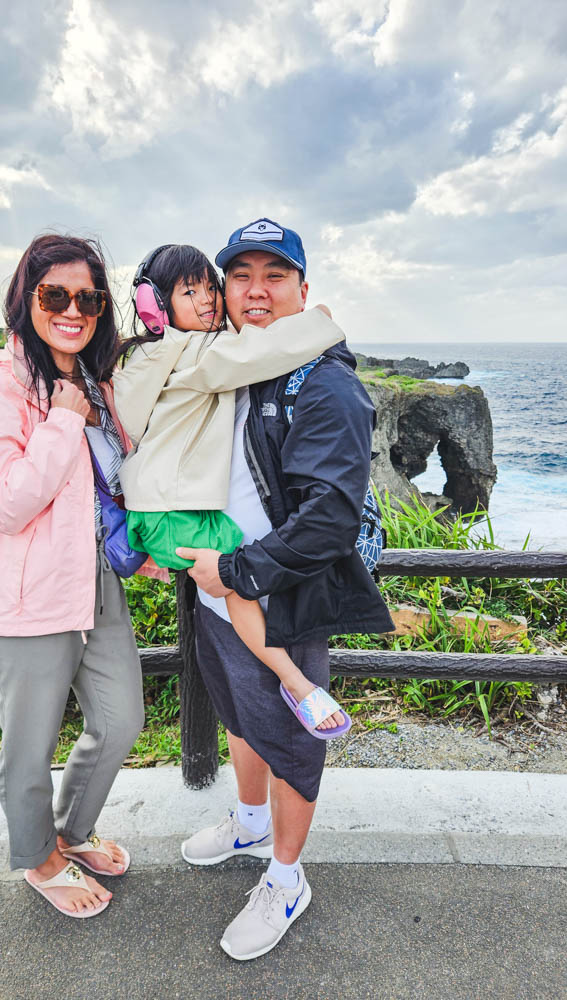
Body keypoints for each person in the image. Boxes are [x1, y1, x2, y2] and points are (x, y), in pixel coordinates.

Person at [177, 218, 394, 960]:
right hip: (218, 593)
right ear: (225, 290)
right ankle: (247, 819)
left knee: (294, 746)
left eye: (276, 275)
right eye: (242, 275)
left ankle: (286, 877)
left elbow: (327, 523)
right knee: (240, 714)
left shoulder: (325, 383)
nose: (257, 290)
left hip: (281, 592)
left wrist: (232, 571)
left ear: (305, 291)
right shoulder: (236, 362)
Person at [0, 234, 150, 919]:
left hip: (97, 581)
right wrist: (63, 423)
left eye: (88, 297)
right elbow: (6, 507)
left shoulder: (94, 381)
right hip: (31, 592)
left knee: (123, 720)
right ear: (26, 298)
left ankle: (69, 833)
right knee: (28, 749)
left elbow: (112, 485)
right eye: (55, 295)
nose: (74, 309)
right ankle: (39, 859)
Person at [112, 243, 349, 735]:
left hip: (159, 507)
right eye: (188, 291)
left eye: (208, 287)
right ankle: (297, 684)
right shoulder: (197, 352)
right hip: (173, 508)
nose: (207, 301)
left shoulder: (142, 355)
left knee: (228, 575)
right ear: (155, 304)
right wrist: (318, 322)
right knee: (233, 573)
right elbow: (261, 351)